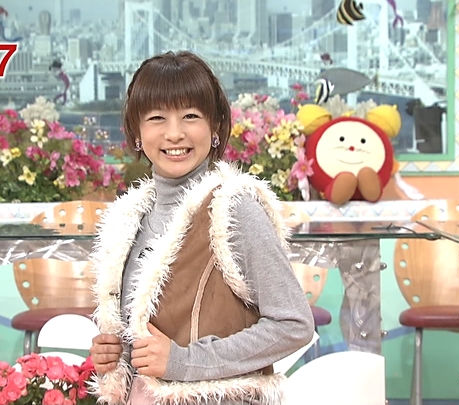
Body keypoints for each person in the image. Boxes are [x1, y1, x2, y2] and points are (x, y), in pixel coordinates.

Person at [88, 50, 315, 405]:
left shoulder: (233, 208)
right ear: (137, 132)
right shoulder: (129, 219)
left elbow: (294, 324)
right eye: (157, 118)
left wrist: (184, 362)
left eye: (190, 116)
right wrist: (115, 355)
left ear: (215, 128)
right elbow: (150, 339)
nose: (174, 133)